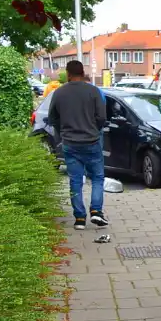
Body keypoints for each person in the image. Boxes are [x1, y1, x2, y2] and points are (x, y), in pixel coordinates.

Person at [47, 60, 108, 230]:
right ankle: (96, 211)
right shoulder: (94, 91)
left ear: (68, 73)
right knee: (97, 178)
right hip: (92, 141)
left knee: (75, 180)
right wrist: (94, 129)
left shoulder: (59, 93)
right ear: (83, 72)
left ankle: (79, 219)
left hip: (70, 143)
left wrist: (63, 132)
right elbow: (102, 117)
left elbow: (53, 118)